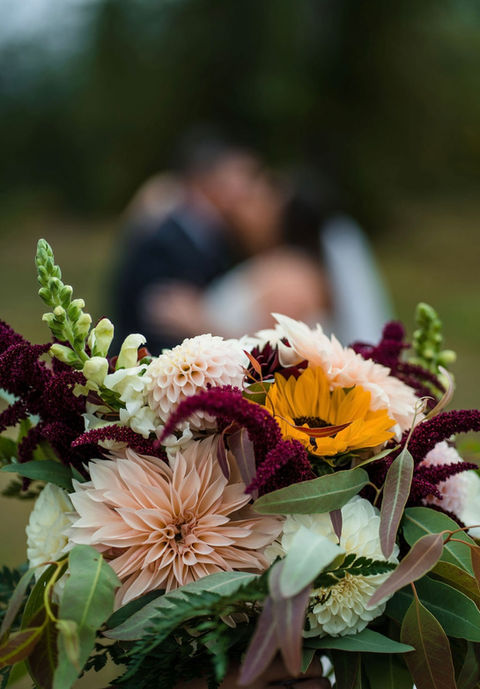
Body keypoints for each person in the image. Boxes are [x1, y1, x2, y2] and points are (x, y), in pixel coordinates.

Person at [111, 132, 279, 354]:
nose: (246, 188)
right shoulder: (163, 243)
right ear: (209, 179)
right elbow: (150, 326)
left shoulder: (222, 237)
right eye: (241, 176)